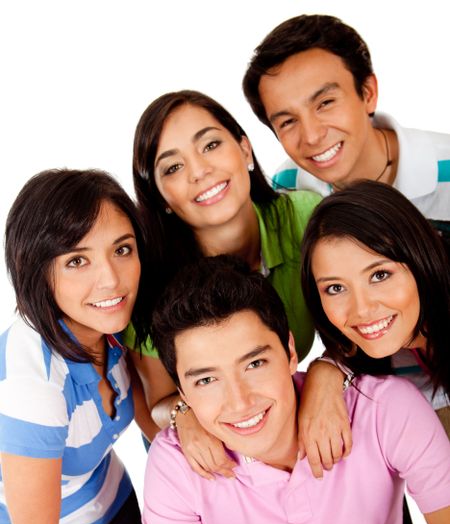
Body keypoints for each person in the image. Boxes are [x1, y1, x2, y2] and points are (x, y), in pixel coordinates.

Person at [141, 255, 450, 524]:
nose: (240, 402)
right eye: (206, 380)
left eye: (254, 364)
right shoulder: (175, 462)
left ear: (289, 351)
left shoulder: (385, 408)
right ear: (182, 393)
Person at [127, 89, 349, 478]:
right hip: (216, 454)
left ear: (245, 150)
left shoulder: (307, 219)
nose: (199, 172)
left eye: (210, 145)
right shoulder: (151, 283)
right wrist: (184, 418)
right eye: (172, 168)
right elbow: (155, 401)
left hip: (286, 420)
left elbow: (358, 322)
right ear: (160, 196)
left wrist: (327, 372)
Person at [0, 169, 150, 524]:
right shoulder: (32, 379)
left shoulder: (120, 324)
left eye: (122, 249)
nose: (110, 279)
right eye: (77, 260)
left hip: (111, 507)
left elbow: (153, 412)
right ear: (38, 271)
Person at [300, 179, 450, 524]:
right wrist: (325, 371)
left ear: (419, 258)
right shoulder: (383, 353)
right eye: (335, 288)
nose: (362, 309)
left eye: (380, 274)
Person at [242, 14, 450, 240]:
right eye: (288, 121)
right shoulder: (287, 186)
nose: (312, 137)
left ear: (368, 93)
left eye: (325, 103)